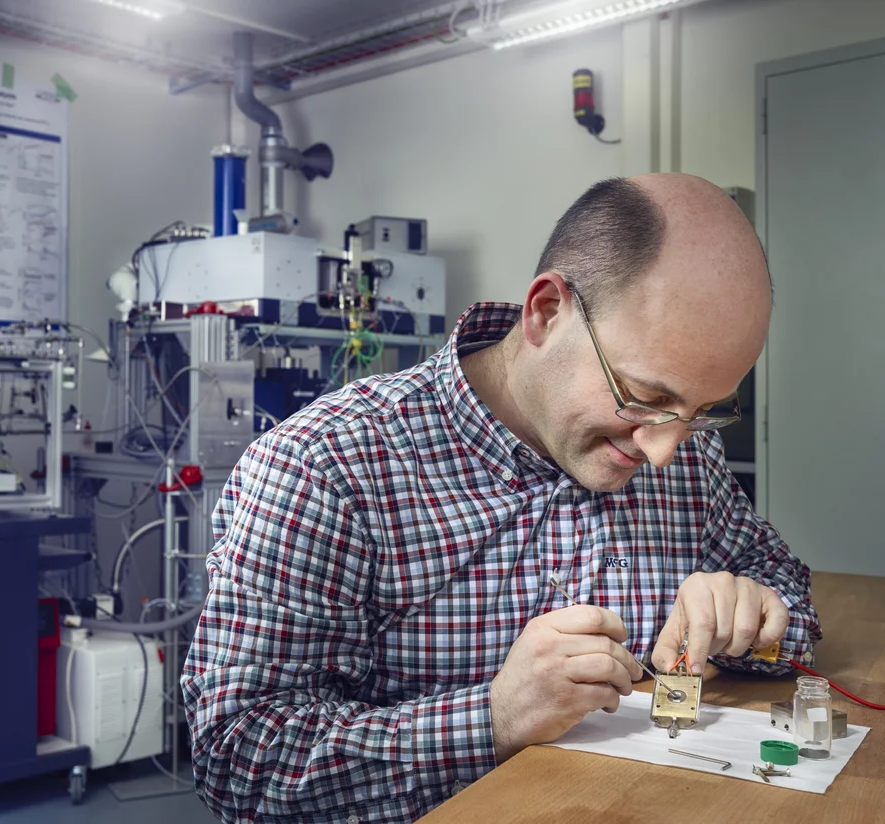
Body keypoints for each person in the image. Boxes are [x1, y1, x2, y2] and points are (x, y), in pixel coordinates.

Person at [181, 174, 822, 824]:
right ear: (546, 312)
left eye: (702, 411)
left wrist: (750, 619)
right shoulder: (325, 467)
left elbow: (791, 598)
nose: (664, 450)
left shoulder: (684, 448)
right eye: (644, 398)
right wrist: (491, 719)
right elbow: (239, 759)